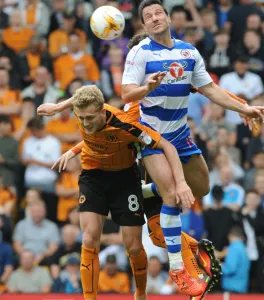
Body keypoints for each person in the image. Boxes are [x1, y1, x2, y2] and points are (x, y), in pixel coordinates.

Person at [122, 2, 264, 297]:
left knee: (199, 188)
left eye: (157, 13)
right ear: (144, 25)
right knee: (175, 195)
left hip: (181, 135)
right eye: (147, 17)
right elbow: (126, 93)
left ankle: (143, 191)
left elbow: (210, 89)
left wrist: (245, 108)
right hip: (152, 139)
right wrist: (147, 88)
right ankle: (177, 268)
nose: (154, 19)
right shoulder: (139, 52)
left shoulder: (189, 52)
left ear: (168, 17)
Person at [39, 85, 206, 299]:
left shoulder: (128, 125)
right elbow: (78, 99)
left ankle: (141, 293)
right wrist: (57, 108)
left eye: (90, 118)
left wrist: (181, 182)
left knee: (134, 246)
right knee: (89, 240)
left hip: (125, 180)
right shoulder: (82, 109)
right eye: (81, 118)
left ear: (102, 111)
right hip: (93, 178)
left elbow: (166, 146)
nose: (85, 123)